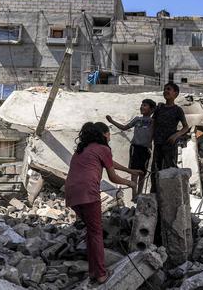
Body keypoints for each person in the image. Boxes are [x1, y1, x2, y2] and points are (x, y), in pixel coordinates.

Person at [64, 122, 141, 284]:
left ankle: (94, 271)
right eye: (109, 133)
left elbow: (109, 163)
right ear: (104, 134)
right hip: (88, 193)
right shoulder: (103, 148)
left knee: (91, 232)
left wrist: (130, 171)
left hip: (71, 193)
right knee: (96, 233)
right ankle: (100, 274)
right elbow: (112, 176)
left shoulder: (81, 151)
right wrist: (131, 183)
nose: (110, 136)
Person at [106, 99, 155, 195]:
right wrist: (112, 121)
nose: (142, 107)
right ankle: (134, 194)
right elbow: (124, 127)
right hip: (135, 148)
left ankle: (140, 193)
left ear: (151, 109)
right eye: (142, 105)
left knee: (143, 172)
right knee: (134, 171)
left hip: (145, 149)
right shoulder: (137, 119)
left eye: (145, 105)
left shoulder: (153, 121)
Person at [151, 82, 190, 188]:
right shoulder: (159, 108)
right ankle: (154, 193)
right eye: (164, 89)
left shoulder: (178, 110)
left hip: (169, 145)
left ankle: (169, 193)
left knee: (169, 170)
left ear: (175, 94)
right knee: (155, 170)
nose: (166, 91)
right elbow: (153, 124)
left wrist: (176, 135)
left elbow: (186, 127)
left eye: (168, 89)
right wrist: (150, 140)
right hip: (158, 143)